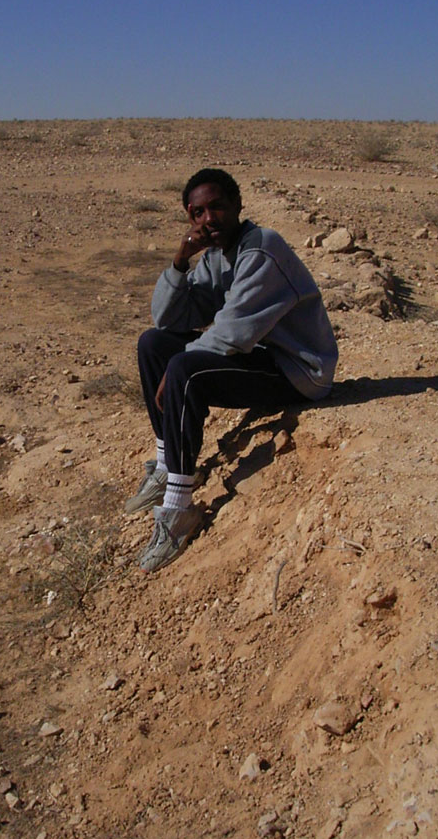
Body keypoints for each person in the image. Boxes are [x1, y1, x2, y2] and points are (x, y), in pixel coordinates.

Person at [127, 168, 338, 572]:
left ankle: (177, 509)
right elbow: (167, 321)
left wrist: (178, 367)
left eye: (218, 207)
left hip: (298, 371)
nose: (208, 219)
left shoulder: (260, 250)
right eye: (198, 212)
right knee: (152, 345)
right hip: (263, 357)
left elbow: (233, 333)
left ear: (238, 206)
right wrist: (179, 262)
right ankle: (166, 463)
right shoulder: (216, 258)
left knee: (184, 368)